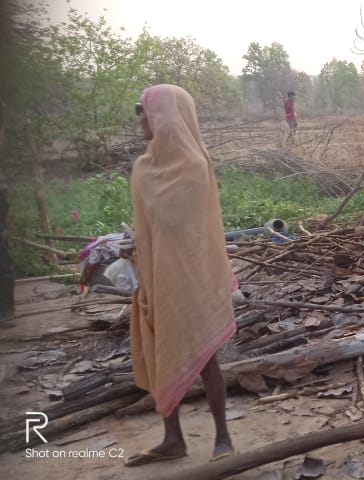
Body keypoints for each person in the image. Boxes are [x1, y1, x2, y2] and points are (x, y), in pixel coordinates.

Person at [124, 84, 236, 466]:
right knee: (161, 354)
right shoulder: (142, 169)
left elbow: (188, 227)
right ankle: (173, 439)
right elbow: (150, 227)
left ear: (167, 116)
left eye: (147, 110)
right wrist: (132, 246)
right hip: (155, 278)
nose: (143, 119)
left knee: (205, 358)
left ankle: (223, 435)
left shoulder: (195, 167)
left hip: (192, 279)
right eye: (141, 111)